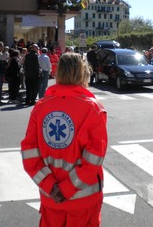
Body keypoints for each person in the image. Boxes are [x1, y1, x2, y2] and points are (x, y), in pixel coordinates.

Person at [21, 53, 108, 227]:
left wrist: (51, 187)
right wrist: (67, 188)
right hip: (83, 201)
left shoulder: (41, 107)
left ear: (58, 72)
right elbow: (94, 158)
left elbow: (29, 153)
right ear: (83, 73)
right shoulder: (92, 108)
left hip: (51, 199)